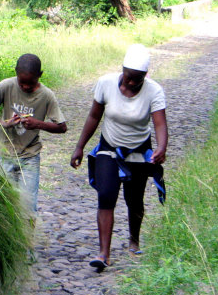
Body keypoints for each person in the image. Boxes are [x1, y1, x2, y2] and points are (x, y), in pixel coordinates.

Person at [70, 44, 168, 270]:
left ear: (145, 75)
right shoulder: (105, 83)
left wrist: (161, 148)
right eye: (127, 77)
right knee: (106, 195)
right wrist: (80, 147)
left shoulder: (154, 91)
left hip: (138, 151)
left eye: (137, 79)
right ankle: (104, 254)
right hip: (109, 148)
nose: (130, 83)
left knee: (134, 200)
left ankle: (134, 240)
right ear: (122, 70)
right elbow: (94, 116)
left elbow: (160, 123)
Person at [0, 53, 67, 213]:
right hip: (4, 155)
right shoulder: (6, 86)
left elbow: (62, 127)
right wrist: (3, 123)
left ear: (40, 75)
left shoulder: (46, 95)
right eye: (22, 82)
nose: (26, 87)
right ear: (16, 73)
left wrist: (38, 124)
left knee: (27, 208)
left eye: (31, 83)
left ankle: (28, 237)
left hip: (30, 158)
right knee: (4, 207)